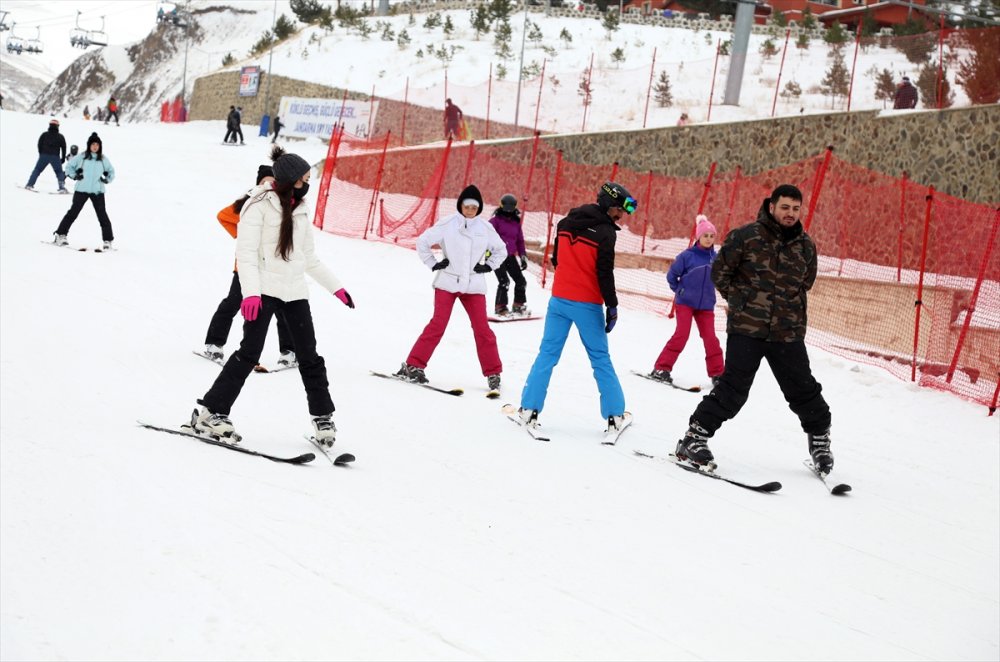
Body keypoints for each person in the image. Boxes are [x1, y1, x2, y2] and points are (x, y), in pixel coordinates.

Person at [191, 146, 355, 446]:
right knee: (249, 353)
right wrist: (251, 294)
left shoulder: (300, 209)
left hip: (295, 292)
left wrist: (336, 288)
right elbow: (246, 253)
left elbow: (308, 257)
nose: (308, 184)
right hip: (264, 289)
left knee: (309, 356)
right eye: (305, 178)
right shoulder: (258, 205)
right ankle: (210, 411)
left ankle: (323, 418)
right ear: (292, 179)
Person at [674, 184, 834, 475]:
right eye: (785, 207)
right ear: (772, 207)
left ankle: (820, 442)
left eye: (795, 208)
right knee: (733, 388)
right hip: (747, 328)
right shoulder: (745, 237)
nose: (790, 213)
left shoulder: (805, 246)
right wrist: (741, 302)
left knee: (803, 388)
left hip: (787, 332)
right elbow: (720, 273)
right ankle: (694, 437)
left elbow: (806, 282)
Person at [517, 182, 636, 434]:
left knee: (547, 354)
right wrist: (612, 305)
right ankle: (615, 415)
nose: (621, 215)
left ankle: (528, 409)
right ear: (608, 204)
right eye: (619, 209)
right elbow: (604, 273)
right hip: (587, 304)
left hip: (559, 300)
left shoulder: (565, 223)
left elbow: (556, 259)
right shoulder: (606, 232)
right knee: (600, 358)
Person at [395, 184, 507, 391]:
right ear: (460, 206)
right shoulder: (448, 224)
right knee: (438, 324)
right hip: (448, 282)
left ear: (479, 208)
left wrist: (489, 266)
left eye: (474, 207)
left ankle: (493, 374)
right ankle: (413, 366)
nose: (470, 210)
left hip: (473, 284)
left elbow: (501, 250)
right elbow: (423, 242)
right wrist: (433, 263)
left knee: (482, 329)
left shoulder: (485, 228)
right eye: (467, 206)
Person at [202, 164, 297, 369]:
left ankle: (290, 352)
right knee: (233, 303)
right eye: (264, 182)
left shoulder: (284, 203)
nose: (268, 185)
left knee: (281, 308)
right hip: (246, 268)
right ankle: (214, 344)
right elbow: (223, 216)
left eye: (273, 182)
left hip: (273, 269)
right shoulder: (249, 202)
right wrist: (243, 234)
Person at [649, 214, 724, 386]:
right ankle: (661, 368)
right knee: (681, 335)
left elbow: (722, 278)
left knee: (711, 338)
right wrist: (680, 291)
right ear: (698, 237)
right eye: (705, 235)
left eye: (712, 236)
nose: (709, 239)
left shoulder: (716, 258)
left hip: (706, 305)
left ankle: (718, 374)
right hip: (685, 303)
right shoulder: (687, 256)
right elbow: (672, 275)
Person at [53, 132, 115, 250]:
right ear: (89, 145)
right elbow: (69, 167)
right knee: (73, 213)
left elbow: (111, 172)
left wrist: (106, 179)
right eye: (93, 144)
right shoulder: (81, 157)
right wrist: (75, 176)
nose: (95, 147)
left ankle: (108, 241)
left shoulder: (103, 159)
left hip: (98, 191)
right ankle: (60, 235)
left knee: (102, 215)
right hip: (81, 190)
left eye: (97, 145)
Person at [488, 193, 530, 317]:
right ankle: (500, 308)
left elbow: (520, 241)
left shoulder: (516, 223)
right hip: (496, 256)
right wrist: (487, 253)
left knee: (521, 281)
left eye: (510, 209)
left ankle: (518, 305)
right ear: (501, 206)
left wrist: (523, 256)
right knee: (504, 281)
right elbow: (487, 238)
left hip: (510, 256)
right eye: (506, 209)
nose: (508, 212)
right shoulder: (494, 221)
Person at [25, 118, 68, 193]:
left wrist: (41, 153)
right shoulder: (60, 136)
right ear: (57, 126)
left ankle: (29, 185)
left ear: (50, 125)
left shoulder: (44, 134)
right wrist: (63, 158)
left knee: (37, 170)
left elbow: (39, 144)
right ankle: (62, 188)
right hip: (55, 157)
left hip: (44, 155)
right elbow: (64, 147)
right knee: (59, 172)